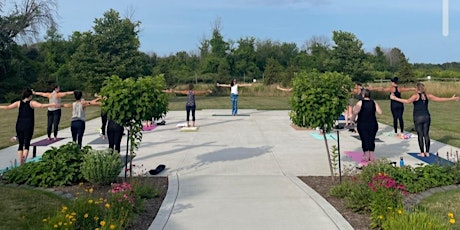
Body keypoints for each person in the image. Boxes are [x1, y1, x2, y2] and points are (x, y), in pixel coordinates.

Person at [390, 82, 459, 157]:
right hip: (427, 116)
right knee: (426, 134)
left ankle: (422, 152)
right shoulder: (428, 95)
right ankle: (427, 152)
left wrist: (395, 98)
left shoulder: (415, 96)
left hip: (418, 117)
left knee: (420, 135)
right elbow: (439, 99)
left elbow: (407, 101)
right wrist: (451, 98)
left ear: (417, 88)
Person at [0, 88, 56, 164]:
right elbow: (41, 106)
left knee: (20, 144)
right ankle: (23, 161)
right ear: (30, 96)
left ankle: (20, 163)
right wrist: (52, 104)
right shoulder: (31, 103)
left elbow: (7, 107)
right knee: (26, 144)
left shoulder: (18, 103)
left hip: (19, 124)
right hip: (28, 125)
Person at [351, 88, 383, 162]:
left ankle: (366, 155)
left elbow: (355, 112)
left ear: (363, 95)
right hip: (373, 123)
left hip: (363, 124)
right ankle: (371, 155)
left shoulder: (360, 102)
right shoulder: (374, 102)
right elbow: (380, 112)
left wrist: (352, 120)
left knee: (364, 139)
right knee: (371, 139)